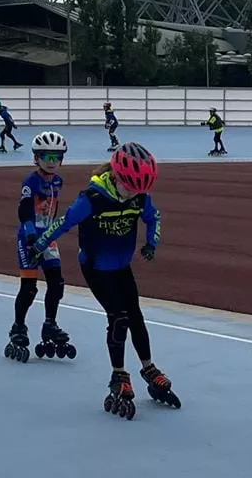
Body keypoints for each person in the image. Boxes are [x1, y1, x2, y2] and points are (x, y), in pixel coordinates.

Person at [29, 141, 179, 420]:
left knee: (136, 316)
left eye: (140, 189)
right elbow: (64, 223)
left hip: (121, 266)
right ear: (118, 176)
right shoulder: (92, 199)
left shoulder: (140, 197)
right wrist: (39, 244)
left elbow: (153, 217)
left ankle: (148, 367)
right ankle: (119, 374)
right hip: (96, 268)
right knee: (118, 317)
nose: (135, 193)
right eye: (131, 186)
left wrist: (151, 244)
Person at [5, 131, 76, 363]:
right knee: (29, 287)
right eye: (46, 156)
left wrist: (51, 233)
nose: (51, 161)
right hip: (30, 237)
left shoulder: (58, 181)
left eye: (56, 156)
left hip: (48, 237)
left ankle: (50, 323)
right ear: (36, 158)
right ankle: (18, 326)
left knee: (57, 282)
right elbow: (24, 211)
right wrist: (30, 235)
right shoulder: (31, 182)